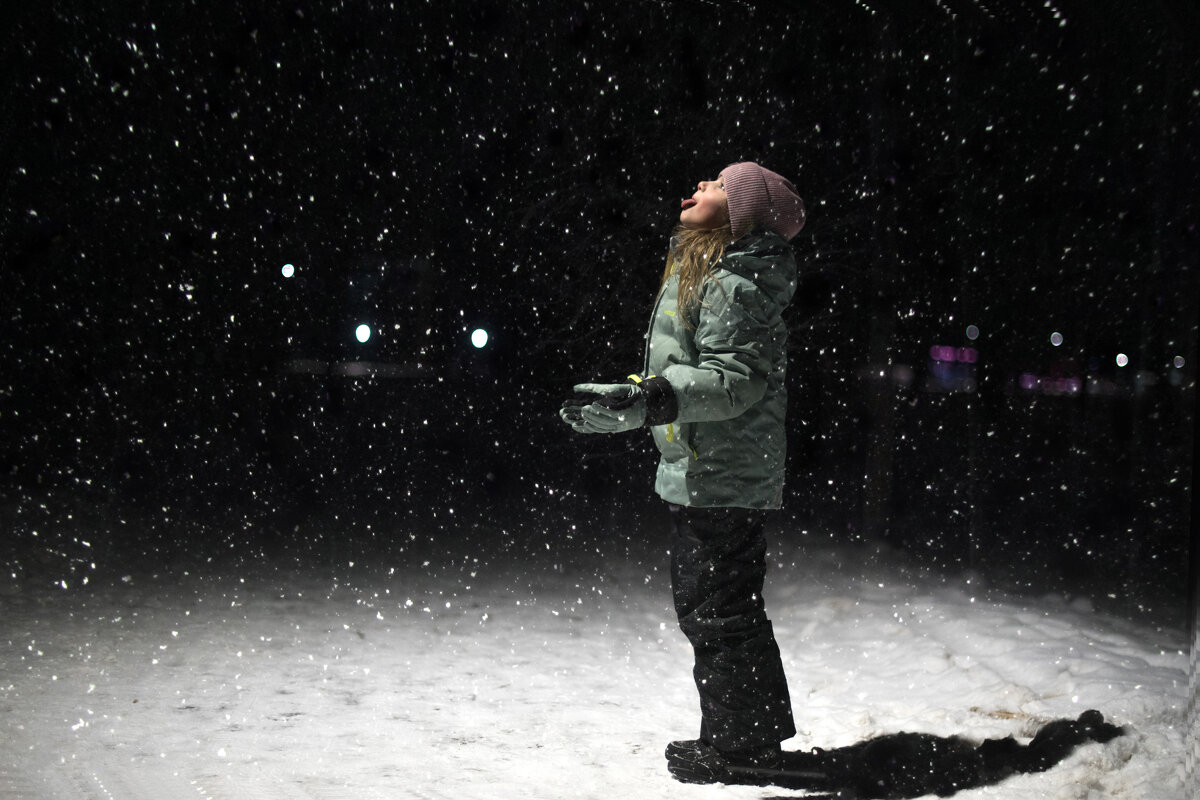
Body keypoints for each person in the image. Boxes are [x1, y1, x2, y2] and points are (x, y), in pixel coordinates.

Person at [560, 162, 807, 784]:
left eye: (718, 185)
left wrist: (653, 400)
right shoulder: (715, 270)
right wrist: (632, 402)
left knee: (720, 608)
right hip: (709, 465)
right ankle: (740, 739)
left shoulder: (735, 281)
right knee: (717, 604)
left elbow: (735, 381)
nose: (697, 188)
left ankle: (744, 748)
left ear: (742, 211)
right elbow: (699, 372)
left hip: (724, 470)